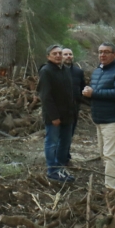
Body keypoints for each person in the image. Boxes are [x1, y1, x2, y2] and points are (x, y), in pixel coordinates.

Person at [83, 42, 115, 190]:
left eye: (106, 52)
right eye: (100, 52)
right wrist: (88, 92)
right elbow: (98, 93)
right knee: (106, 156)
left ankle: (110, 189)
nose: (102, 55)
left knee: (112, 156)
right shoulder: (98, 71)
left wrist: (94, 93)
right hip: (100, 119)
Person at [38, 44, 77, 182]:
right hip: (53, 116)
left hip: (68, 115)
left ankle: (60, 167)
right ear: (48, 56)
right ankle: (52, 170)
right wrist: (54, 116)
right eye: (54, 53)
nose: (58, 56)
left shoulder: (65, 70)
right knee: (52, 143)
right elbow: (45, 96)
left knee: (65, 143)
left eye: (60, 53)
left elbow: (69, 92)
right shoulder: (46, 71)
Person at [60, 47, 86, 168]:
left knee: (69, 134)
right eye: (65, 54)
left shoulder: (78, 72)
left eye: (70, 54)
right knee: (58, 135)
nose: (68, 56)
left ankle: (66, 157)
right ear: (61, 56)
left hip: (74, 108)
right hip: (60, 109)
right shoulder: (56, 70)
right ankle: (57, 159)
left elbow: (82, 88)